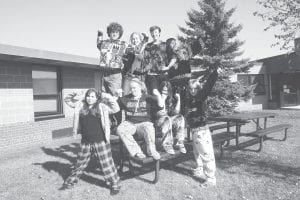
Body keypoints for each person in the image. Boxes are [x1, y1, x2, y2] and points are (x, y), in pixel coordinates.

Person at [61, 89, 121, 195]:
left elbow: (116, 108)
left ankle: (115, 184)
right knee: (79, 164)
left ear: (97, 98)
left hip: (101, 141)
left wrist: (105, 95)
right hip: (85, 141)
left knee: (107, 164)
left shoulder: (102, 107)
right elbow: (67, 100)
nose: (90, 98)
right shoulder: (80, 106)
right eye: (88, 96)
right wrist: (76, 93)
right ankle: (70, 182)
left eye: (93, 96)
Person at [187, 68, 219, 188]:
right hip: (194, 131)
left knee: (206, 155)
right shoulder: (190, 100)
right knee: (197, 153)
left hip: (202, 131)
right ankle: (199, 169)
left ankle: (211, 179)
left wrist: (214, 73)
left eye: (195, 88)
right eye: (190, 88)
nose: (192, 90)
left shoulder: (201, 97)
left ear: (199, 88)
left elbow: (208, 85)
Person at [116, 78, 161, 160]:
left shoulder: (147, 97)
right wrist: (117, 96)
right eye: (131, 88)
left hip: (143, 123)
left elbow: (160, 106)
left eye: (134, 88)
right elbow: (116, 106)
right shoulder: (126, 98)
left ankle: (151, 151)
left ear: (140, 87)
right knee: (120, 129)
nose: (132, 90)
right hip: (130, 123)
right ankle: (137, 152)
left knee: (148, 127)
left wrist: (158, 95)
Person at [97, 22, 127, 126]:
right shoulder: (105, 43)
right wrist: (100, 34)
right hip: (105, 73)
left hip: (115, 74)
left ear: (119, 34)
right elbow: (98, 44)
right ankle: (110, 120)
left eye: (116, 32)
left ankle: (119, 122)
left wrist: (123, 63)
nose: (114, 33)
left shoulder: (123, 44)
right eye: (112, 32)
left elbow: (131, 54)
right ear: (109, 33)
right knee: (105, 98)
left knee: (116, 98)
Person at [152, 81, 186, 155]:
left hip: (168, 123)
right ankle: (167, 144)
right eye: (163, 90)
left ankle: (179, 142)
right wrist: (162, 99)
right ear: (160, 90)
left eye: (167, 91)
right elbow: (161, 113)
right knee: (166, 118)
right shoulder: (156, 98)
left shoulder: (170, 99)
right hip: (157, 124)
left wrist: (178, 100)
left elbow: (176, 113)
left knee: (180, 117)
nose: (165, 93)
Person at [143, 26, 170, 94]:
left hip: (163, 74)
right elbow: (145, 57)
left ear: (159, 33)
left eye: (156, 32)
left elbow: (172, 57)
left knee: (164, 94)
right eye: (152, 32)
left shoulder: (165, 45)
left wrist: (168, 67)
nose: (154, 34)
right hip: (152, 74)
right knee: (154, 95)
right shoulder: (148, 46)